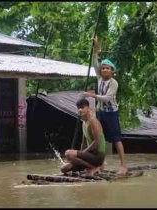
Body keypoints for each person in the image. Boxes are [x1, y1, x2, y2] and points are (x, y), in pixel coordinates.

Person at [81, 36, 129, 175]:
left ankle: (123, 165)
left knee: (116, 139)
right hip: (101, 113)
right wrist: (95, 49)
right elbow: (94, 62)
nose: (104, 70)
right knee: (100, 139)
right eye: (103, 69)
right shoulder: (99, 77)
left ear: (112, 71)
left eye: (107, 68)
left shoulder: (113, 83)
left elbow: (107, 98)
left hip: (111, 113)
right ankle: (99, 165)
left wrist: (92, 96)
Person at [60, 98, 106, 176]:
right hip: (90, 155)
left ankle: (96, 167)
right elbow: (83, 143)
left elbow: (97, 142)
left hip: (98, 155)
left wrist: (83, 153)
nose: (80, 110)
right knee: (64, 168)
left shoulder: (93, 121)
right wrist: (79, 156)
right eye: (78, 108)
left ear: (88, 108)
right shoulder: (84, 123)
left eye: (82, 107)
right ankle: (92, 167)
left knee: (68, 153)